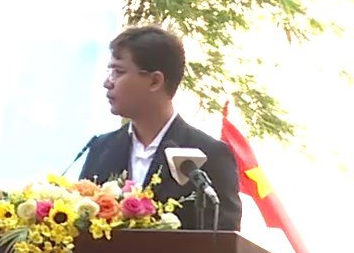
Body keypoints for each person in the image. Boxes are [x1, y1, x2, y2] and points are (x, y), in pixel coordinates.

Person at [81, 26, 241, 231]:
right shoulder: (101, 149)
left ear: (155, 81)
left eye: (118, 72)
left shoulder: (209, 155)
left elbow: (225, 248)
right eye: (109, 72)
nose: (107, 83)